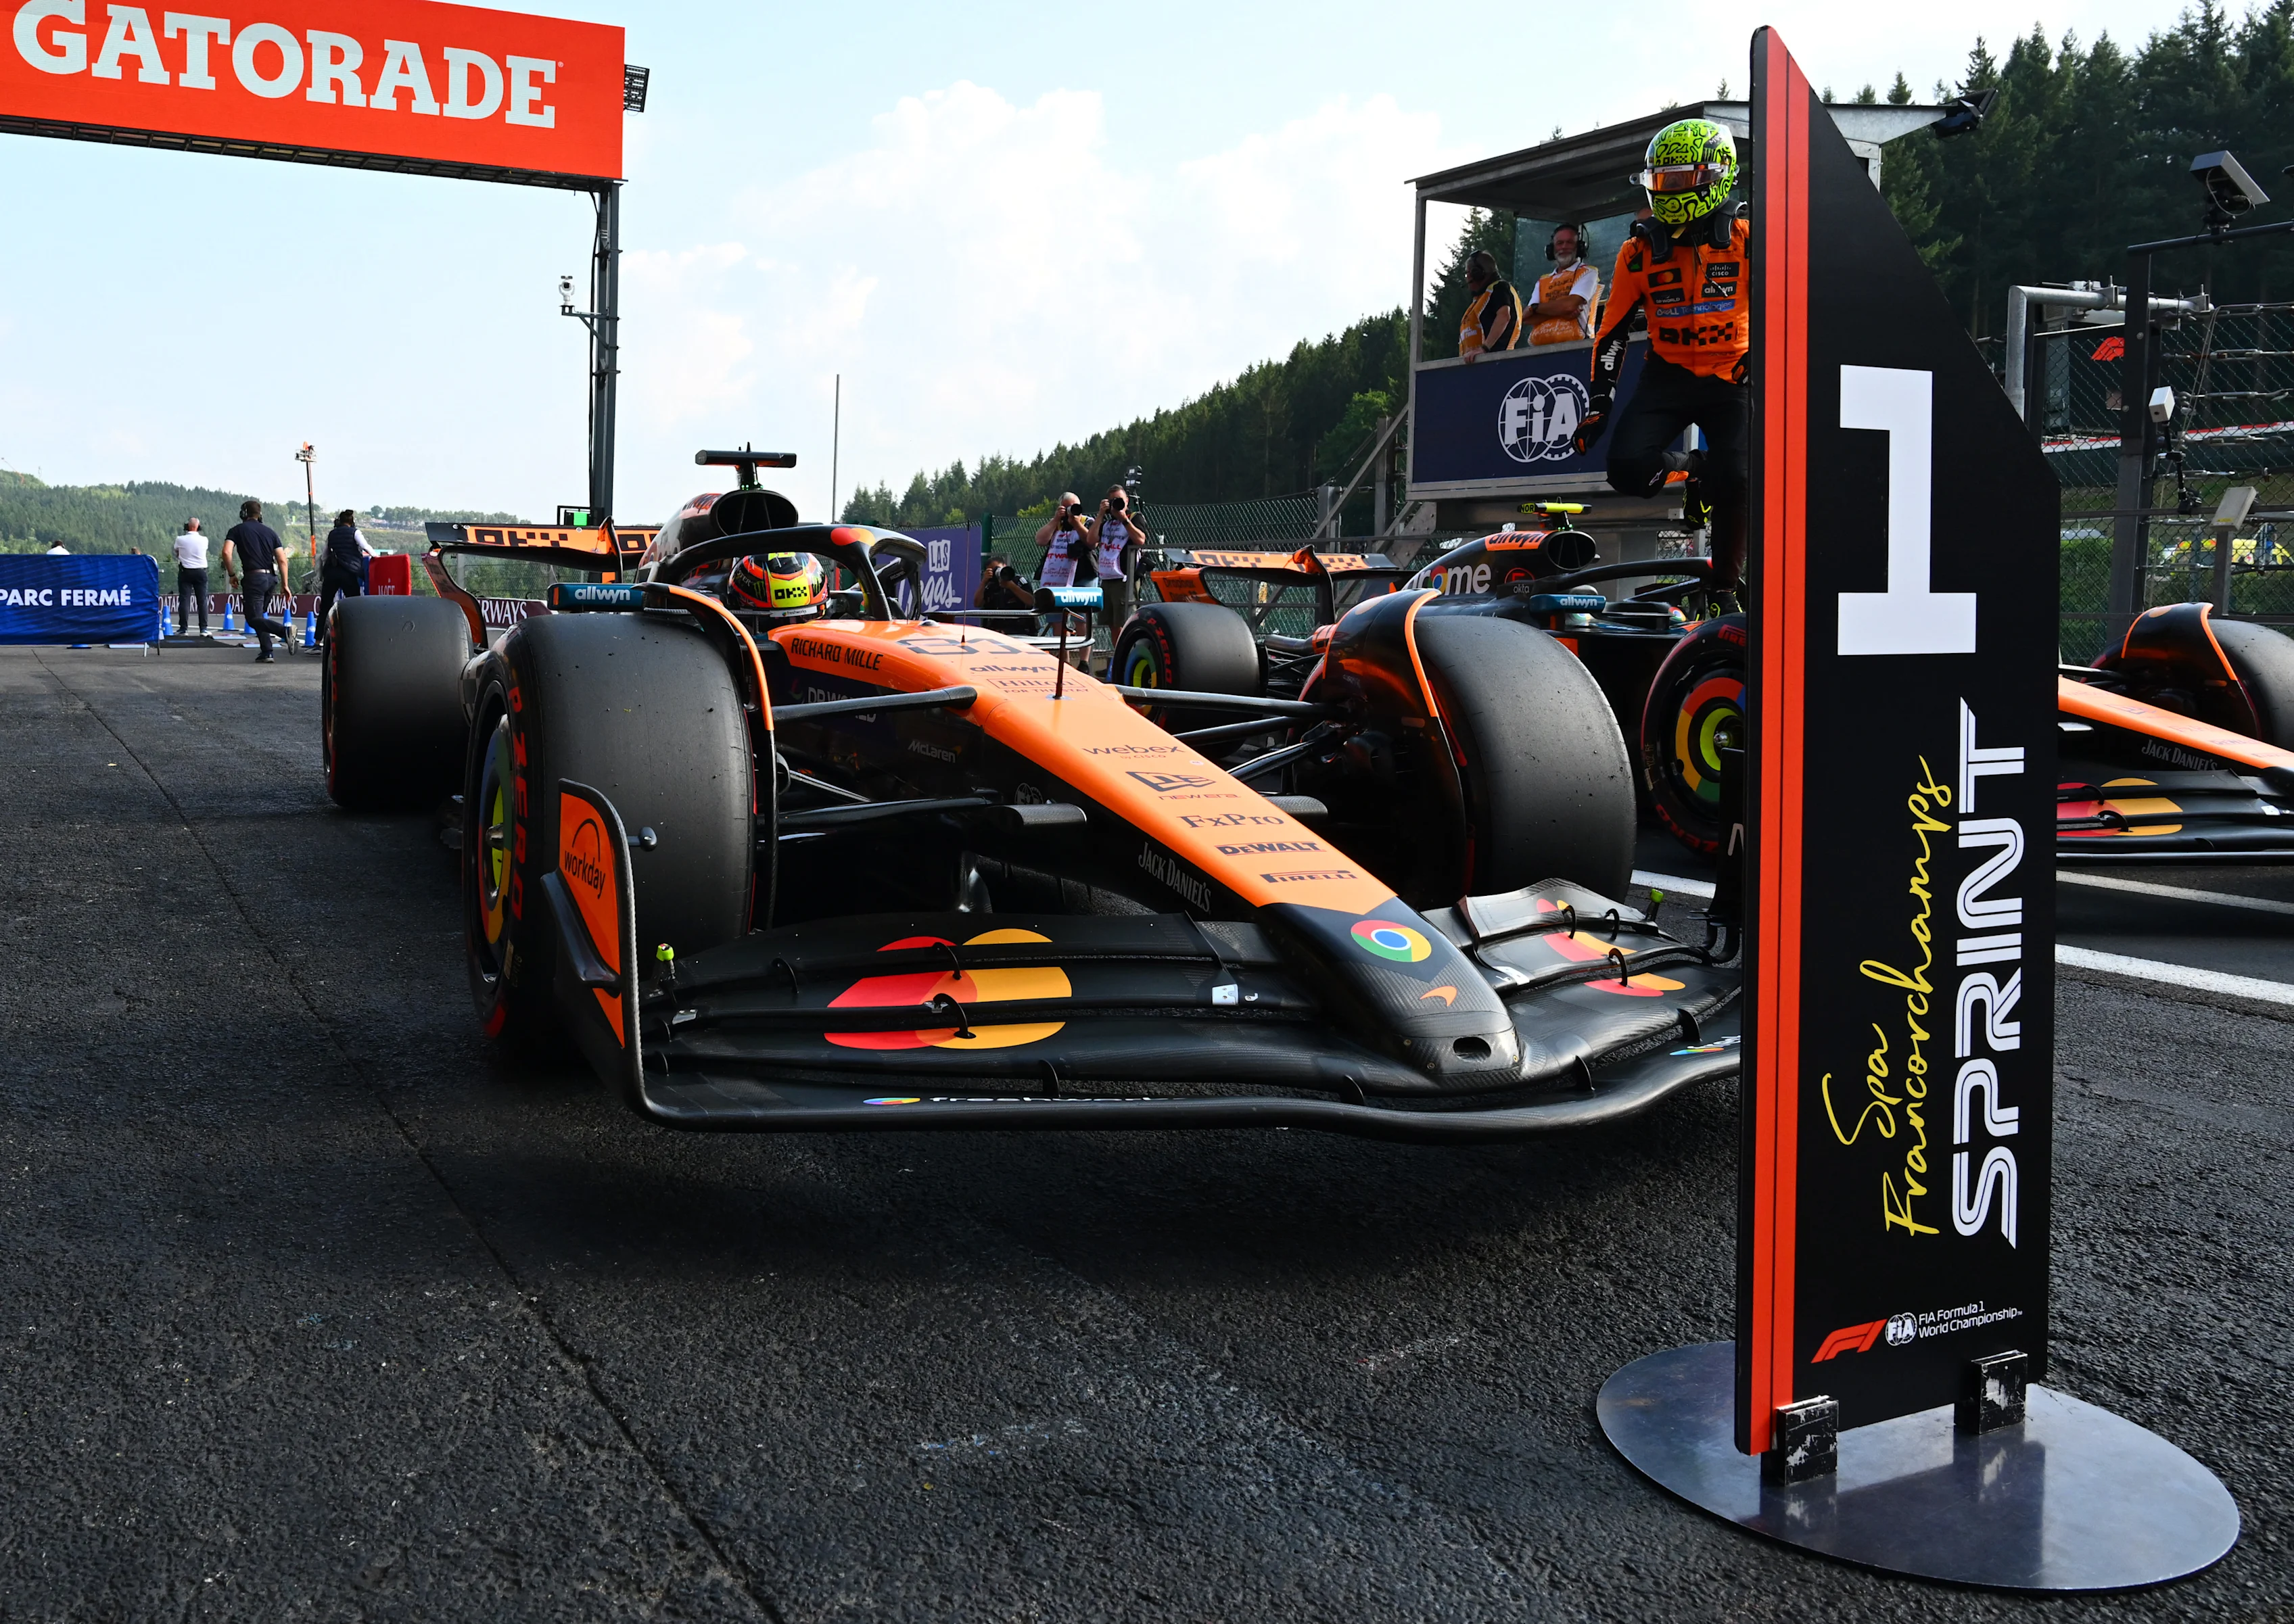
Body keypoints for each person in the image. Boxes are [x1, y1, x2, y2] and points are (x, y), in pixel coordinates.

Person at [1574, 118, 1751, 590]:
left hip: (1732, 375)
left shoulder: (1749, 239)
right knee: (1626, 469)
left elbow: (1789, 312)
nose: (1667, 190)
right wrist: (1599, 402)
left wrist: (1766, 361)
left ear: (1715, 175)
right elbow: (1611, 334)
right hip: (1667, 374)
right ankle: (1694, 474)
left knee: (1738, 478)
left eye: (1678, 180)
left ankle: (1723, 590)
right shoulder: (1637, 251)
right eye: (1661, 180)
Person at [222, 498, 295, 662]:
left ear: (244, 514)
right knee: (260, 616)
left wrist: (232, 574)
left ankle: (285, 632)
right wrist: (285, 584)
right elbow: (283, 560)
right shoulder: (271, 533)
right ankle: (267, 651)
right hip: (271, 579)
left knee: (254, 619)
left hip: (254, 578)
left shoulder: (236, 530)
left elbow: (227, 553)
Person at [1526, 223, 1600, 345]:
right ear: (1552, 249)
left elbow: (1569, 306)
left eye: (1570, 242)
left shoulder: (1588, 272)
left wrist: (1536, 308)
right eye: (1560, 243)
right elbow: (1528, 318)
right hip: (1541, 349)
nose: (1564, 247)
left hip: (1578, 346)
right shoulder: (1543, 280)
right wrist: (1561, 311)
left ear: (1579, 247)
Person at [1085, 485, 1143, 636]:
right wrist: (1100, 515)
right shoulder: (1107, 523)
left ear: (1127, 501)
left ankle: (1127, 655)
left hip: (1125, 578)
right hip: (1107, 577)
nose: (1116, 504)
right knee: (1112, 623)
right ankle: (1118, 655)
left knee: (1125, 621)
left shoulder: (1134, 517)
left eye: (1119, 501)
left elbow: (1141, 540)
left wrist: (1124, 519)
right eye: (1112, 501)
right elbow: (1091, 541)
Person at [316, 509, 375, 646]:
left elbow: (325, 555)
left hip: (331, 573)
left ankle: (317, 642)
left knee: (325, 607)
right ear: (351, 522)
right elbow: (366, 547)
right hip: (348, 573)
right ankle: (357, 638)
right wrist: (377, 557)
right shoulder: (355, 532)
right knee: (355, 605)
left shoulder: (332, 534)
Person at [1035, 495, 1090, 635]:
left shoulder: (1087, 522)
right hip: (1056, 577)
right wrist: (1055, 520)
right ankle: (1063, 657)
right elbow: (1040, 540)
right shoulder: (1057, 524)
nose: (1071, 511)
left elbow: (1092, 542)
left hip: (1083, 574)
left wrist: (1077, 523)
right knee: (1058, 621)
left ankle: (1083, 657)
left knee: (1082, 618)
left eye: (1075, 507)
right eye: (1068, 508)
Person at [1457, 250, 1522, 362]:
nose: (1467, 278)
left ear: (1477, 273)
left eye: (1468, 273)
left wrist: (1484, 348)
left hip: (1495, 362)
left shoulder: (1499, 289)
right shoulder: (1481, 299)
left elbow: (1504, 316)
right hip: (1481, 363)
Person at [172, 517, 210, 636]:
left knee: (184, 600)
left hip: (185, 571)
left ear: (187, 526)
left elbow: (177, 553)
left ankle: (183, 628)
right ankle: (203, 629)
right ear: (198, 527)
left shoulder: (180, 539)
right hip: (201, 571)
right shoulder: (204, 540)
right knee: (202, 600)